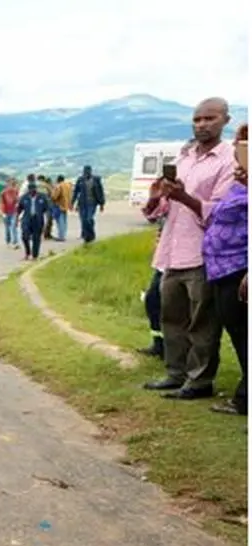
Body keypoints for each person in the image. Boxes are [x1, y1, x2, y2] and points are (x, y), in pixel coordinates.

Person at [142, 97, 235, 400]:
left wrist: (183, 198)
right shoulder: (184, 158)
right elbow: (158, 211)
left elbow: (222, 212)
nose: (202, 125)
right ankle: (175, 373)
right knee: (171, 317)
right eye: (197, 120)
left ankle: (199, 381)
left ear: (225, 120)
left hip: (205, 254)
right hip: (171, 251)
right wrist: (157, 198)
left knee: (203, 322)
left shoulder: (230, 160)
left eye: (210, 119)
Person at [201, 121, 247, 415]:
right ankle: (244, 396)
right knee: (239, 335)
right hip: (222, 271)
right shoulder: (239, 185)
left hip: (239, 271)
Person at [138, 192, 172, 359]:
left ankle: (172, 349)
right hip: (163, 261)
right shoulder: (165, 202)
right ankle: (159, 344)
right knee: (152, 300)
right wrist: (156, 196)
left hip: (180, 259)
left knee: (171, 306)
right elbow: (150, 215)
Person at [16, 181, 52, 261]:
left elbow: (48, 210)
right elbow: (19, 209)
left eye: (34, 189)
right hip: (27, 219)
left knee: (36, 238)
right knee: (24, 236)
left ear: (36, 189)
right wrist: (16, 219)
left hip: (38, 219)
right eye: (30, 189)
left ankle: (35, 256)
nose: (32, 191)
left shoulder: (42, 197)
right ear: (28, 190)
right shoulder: (24, 197)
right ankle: (28, 252)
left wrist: (47, 221)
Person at [71, 164, 106, 243]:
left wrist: (102, 204)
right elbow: (76, 192)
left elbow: (100, 192)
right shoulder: (80, 180)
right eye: (85, 172)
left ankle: (91, 235)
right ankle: (87, 237)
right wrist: (72, 203)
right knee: (83, 220)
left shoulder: (96, 180)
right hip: (82, 204)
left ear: (90, 172)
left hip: (92, 203)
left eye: (87, 172)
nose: (86, 173)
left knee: (89, 219)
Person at [0, 178, 20, 249]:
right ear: (7, 184)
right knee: (7, 228)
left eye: (13, 184)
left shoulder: (16, 192)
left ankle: (15, 242)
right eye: (11, 184)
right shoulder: (3, 192)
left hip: (14, 212)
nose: (13, 185)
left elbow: (17, 201)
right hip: (6, 212)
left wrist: (18, 205)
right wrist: (3, 212)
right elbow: (1, 203)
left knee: (14, 226)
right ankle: (8, 241)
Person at [51, 175, 72, 241]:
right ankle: (63, 235)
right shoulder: (68, 185)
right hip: (66, 205)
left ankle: (61, 236)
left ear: (58, 179)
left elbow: (54, 196)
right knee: (64, 221)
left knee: (60, 222)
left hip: (59, 205)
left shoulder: (59, 186)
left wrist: (52, 197)